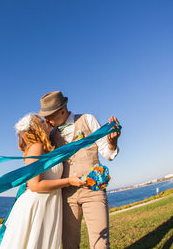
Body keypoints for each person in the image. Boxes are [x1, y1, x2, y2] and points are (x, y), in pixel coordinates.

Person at [38, 91, 121, 249]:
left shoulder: (87, 119)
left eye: (48, 115)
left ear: (62, 110)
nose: (45, 120)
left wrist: (112, 143)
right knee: (69, 245)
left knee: (101, 245)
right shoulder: (50, 134)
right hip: (66, 197)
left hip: (94, 191)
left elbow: (108, 153)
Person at [0, 113, 86, 249]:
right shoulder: (36, 148)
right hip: (37, 206)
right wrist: (69, 181)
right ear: (37, 128)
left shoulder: (46, 149)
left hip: (48, 203)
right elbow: (35, 185)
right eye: (42, 122)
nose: (46, 122)